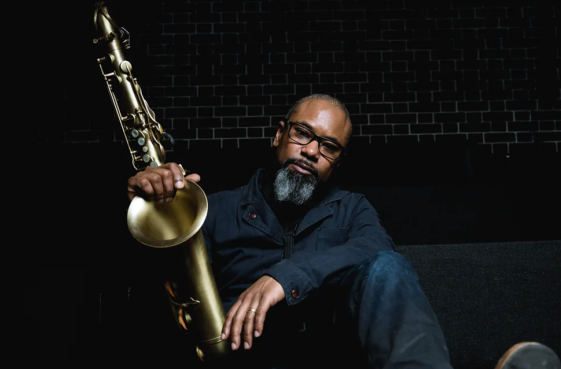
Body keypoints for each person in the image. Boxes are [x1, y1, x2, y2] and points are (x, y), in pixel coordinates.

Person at [126, 94, 454, 368]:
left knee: (389, 266)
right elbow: (166, 295)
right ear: (279, 134)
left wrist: (286, 276)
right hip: (241, 358)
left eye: (329, 147)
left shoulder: (353, 208)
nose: (312, 151)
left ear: (337, 162)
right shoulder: (214, 210)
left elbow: (377, 248)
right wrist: (155, 212)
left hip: (330, 357)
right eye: (303, 134)